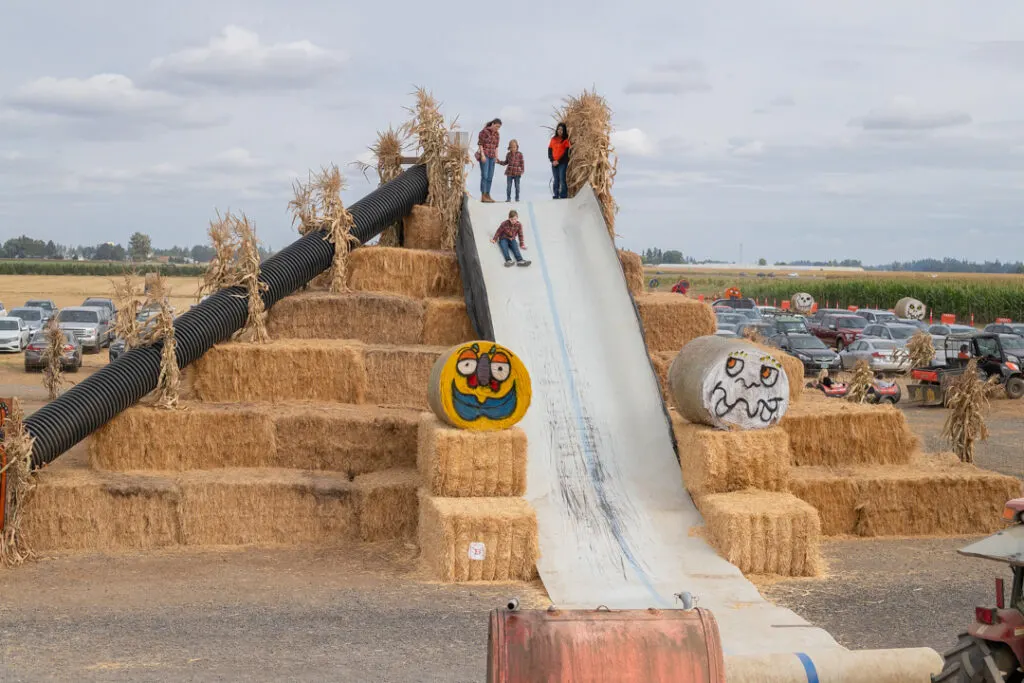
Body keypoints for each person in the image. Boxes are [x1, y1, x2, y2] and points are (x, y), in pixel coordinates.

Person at [475, 118, 502, 203]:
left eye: (499, 127)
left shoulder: (497, 134)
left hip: (492, 156)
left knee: (490, 176)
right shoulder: (484, 132)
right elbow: (480, 144)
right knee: (485, 175)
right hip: (485, 155)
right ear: (493, 124)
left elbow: (496, 146)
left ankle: (488, 194)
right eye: (497, 126)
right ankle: (483, 195)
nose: (497, 128)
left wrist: (496, 157)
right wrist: (482, 155)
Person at [548, 122, 571, 199]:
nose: (560, 131)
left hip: (562, 163)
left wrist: (558, 161)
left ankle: (563, 195)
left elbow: (566, 153)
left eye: (561, 129)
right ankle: (556, 194)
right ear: (557, 130)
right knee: (556, 179)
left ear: (564, 131)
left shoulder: (566, 140)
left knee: (562, 178)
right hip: (554, 163)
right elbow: (549, 151)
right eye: (559, 129)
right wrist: (552, 160)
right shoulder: (553, 139)